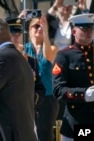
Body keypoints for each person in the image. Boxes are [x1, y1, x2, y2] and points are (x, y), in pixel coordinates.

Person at [52, 13, 94, 141]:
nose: (89, 32)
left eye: (91, 29)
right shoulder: (64, 56)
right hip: (78, 121)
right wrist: (85, 94)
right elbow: (58, 90)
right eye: (84, 29)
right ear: (74, 31)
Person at [24, 15, 59, 141]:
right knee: (28, 132)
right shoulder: (24, 48)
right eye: (36, 26)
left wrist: (45, 31)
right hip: (29, 95)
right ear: (29, 30)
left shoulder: (52, 48)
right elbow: (12, 41)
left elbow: (47, 55)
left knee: (45, 134)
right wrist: (18, 20)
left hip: (48, 97)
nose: (39, 28)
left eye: (42, 26)